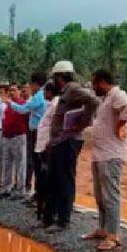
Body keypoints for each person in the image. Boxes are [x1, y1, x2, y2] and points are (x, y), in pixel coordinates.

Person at [82, 69, 127, 251]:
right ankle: (103, 228)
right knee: (100, 195)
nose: (93, 87)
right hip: (100, 154)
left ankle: (113, 235)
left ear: (104, 82)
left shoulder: (117, 94)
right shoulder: (106, 98)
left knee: (110, 196)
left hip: (112, 155)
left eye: (94, 83)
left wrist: (121, 124)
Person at [45, 61, 99, 230]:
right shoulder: (65, 91)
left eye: (54, 77)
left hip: (69, 141)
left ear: (59, 76)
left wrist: (82, 123)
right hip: (59, 141)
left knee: (65, 180)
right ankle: (50, 218)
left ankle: (63, 221)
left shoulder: (74, 89)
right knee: (53, 179)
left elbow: (94, 101)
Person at [5, 73, 47, 194]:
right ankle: (36, 193)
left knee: (36, 163)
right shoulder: (39, 95)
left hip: (37, 132)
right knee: (34, 162)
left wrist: (9, 103)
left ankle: (35, 192)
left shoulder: (39, 96)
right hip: (35, 131)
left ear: (35, 84)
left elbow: (23, 110)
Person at [33, 81, 59, 219]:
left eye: (44, 91)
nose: (43, 94)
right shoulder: (50, 104)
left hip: (46, 148)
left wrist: (48, 145)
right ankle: (42, 210)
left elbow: (54, 127)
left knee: (45, 181)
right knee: (41, 180)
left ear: (49, 91)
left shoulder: (55, 104)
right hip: (42, 148)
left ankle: (46, 212)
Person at [0, 83, 28, 200]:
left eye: (14, 90)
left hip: (18, 137)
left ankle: (21, 190)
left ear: (19, 91)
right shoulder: (7, 105)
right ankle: (6, 188)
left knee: (20, 164)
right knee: (6, 163)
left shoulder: (23, 104)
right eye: (10, 90)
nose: (11, 92)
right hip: (6, 137)